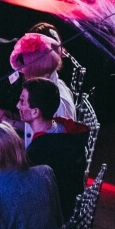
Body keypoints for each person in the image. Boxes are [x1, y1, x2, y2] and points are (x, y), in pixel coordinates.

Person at [19, 78, 91, 218]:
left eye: (22, 101)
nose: (17, 105)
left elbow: (25, 196)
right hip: (70, 208)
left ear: (35, 112)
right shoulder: (63, 128)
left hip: (53, 218)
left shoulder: (39, 151)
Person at [0, 31, 77, 136]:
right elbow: (34, 127)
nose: (25, 77)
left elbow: (52, 142)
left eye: (28, 74)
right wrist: (7, 119)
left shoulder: (60, 105)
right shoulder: (43, 89)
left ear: (42, 74)